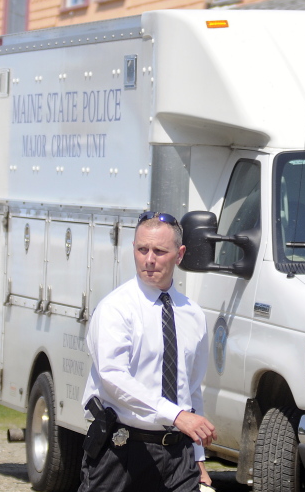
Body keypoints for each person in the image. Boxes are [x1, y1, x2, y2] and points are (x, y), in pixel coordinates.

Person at [79, 211, 217, 492]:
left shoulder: (193, 314)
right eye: (142, 249)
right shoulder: (116, 309)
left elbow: (191, 388)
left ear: (179, 255)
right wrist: (176, 415)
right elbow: (113, 377)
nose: (149, 259)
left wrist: (198, 456)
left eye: (159, 251)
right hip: (122, 450)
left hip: (179, 456)